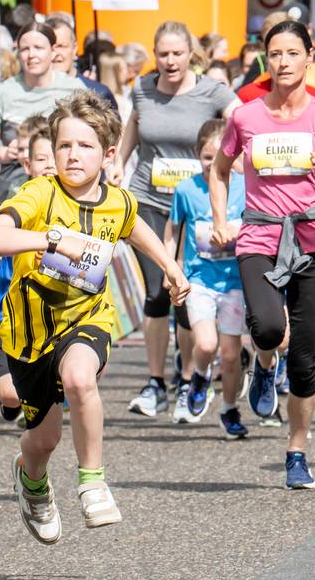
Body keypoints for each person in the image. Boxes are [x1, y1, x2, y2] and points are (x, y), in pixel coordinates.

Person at [0, 93, 190, 541]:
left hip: (87, 317)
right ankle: (31, 481)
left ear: (109, 154)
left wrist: (171, 269)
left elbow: (136, 227)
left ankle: (93, 483)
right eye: (65, 145)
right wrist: (51, 241)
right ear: (52, 153)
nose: (74, 154)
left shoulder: (117, 201)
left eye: (86, 146)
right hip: (30, 332)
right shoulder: (39, 193)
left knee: (79, 378)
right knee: (43, 441)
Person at [209, 20, 315, 490]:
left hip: (313, 242)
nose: (284, 62)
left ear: (309, 58)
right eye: (275, 54)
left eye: (293, 53)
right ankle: (264, 363)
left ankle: (297, 451)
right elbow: (219, 169)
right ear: (266, 61)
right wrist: (220, 219)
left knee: (304, 361)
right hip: (260, 237)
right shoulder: (246, 117)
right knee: (271, 329)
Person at [115, 21, 240, 418]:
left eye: (177, 54)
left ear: (191, 55)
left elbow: (241, 123)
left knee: (186, 297)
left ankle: (188, 378)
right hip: (149, 199)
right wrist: (117, 162)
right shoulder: (143, 89)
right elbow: (133, 127)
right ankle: (155, 384)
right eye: (163, 54)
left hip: (197, 204)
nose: (169, 61)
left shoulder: (213, 91)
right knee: (157, 293)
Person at [169, 119, 251, 438]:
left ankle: (229, 409)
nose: (213, 163)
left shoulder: (244, 187)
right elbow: (172, 231)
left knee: (231, 355)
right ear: (196, 155)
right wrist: (173, 269)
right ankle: (199, 376)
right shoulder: (186, 189)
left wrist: (234, 233)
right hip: (199, 279)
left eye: (220, 156)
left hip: (234, 280)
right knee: (206, 342)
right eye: (206, 156)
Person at [0, 115, 56, 426]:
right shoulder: (18, 202)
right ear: (27, 165)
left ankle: (40, 402)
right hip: (12, 314)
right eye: (41, 159)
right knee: (10, 395)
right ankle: (15, 400)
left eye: (54, 157)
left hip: (54, 314)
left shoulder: (74, 204)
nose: (48, 166)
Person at [0, 22, 82, 204]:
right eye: (25, 49)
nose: (31, 55)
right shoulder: (5, 92)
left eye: (38, 48)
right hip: (15, 192)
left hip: (66, 192)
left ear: (53, 51)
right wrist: (6, 153)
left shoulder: (74, 90)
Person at [44, 16, 118, 111]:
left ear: (74, 48)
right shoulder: (29, 92)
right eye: (49, 47)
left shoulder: (98, 93)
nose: (55, 53)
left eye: (61, 46)